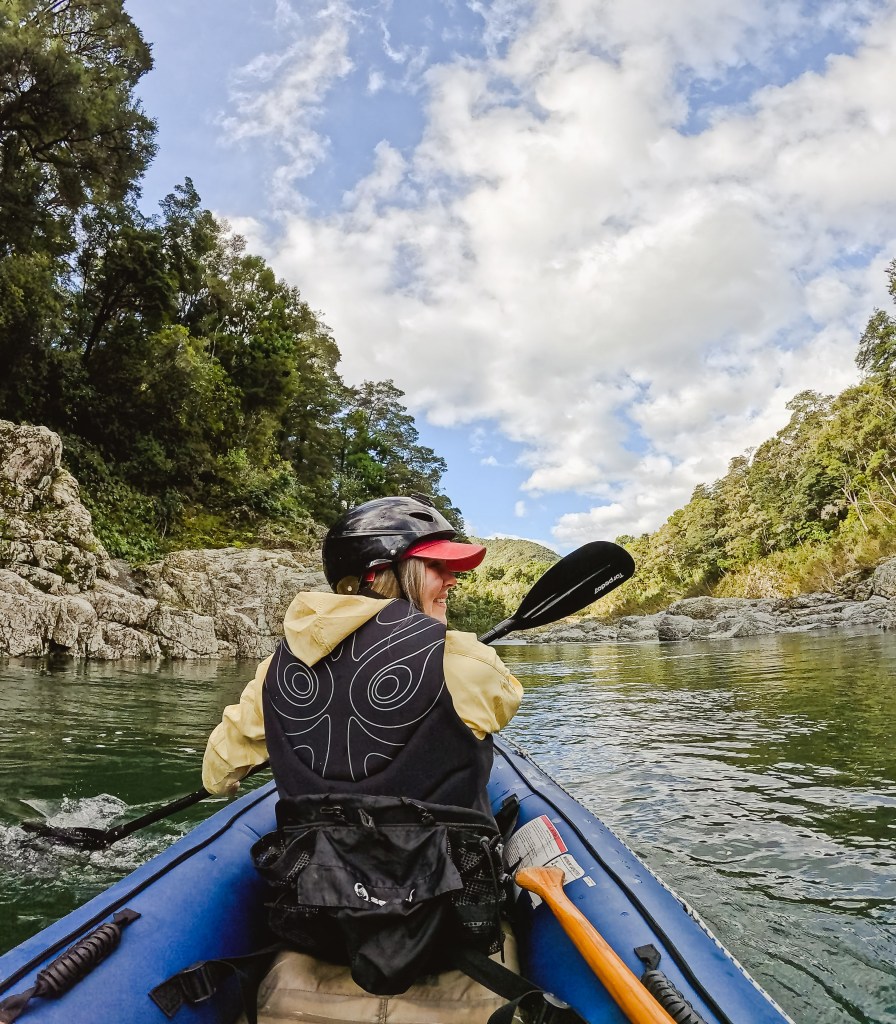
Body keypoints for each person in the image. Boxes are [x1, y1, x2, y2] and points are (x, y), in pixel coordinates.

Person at [201, 494, 525, 1023]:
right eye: (437, 567)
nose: (453, 580)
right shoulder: (466, 659)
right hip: (447, 918)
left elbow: (218, 776)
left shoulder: (274, 671)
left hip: (323, 921)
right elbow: (502, 703)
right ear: (381, 575)